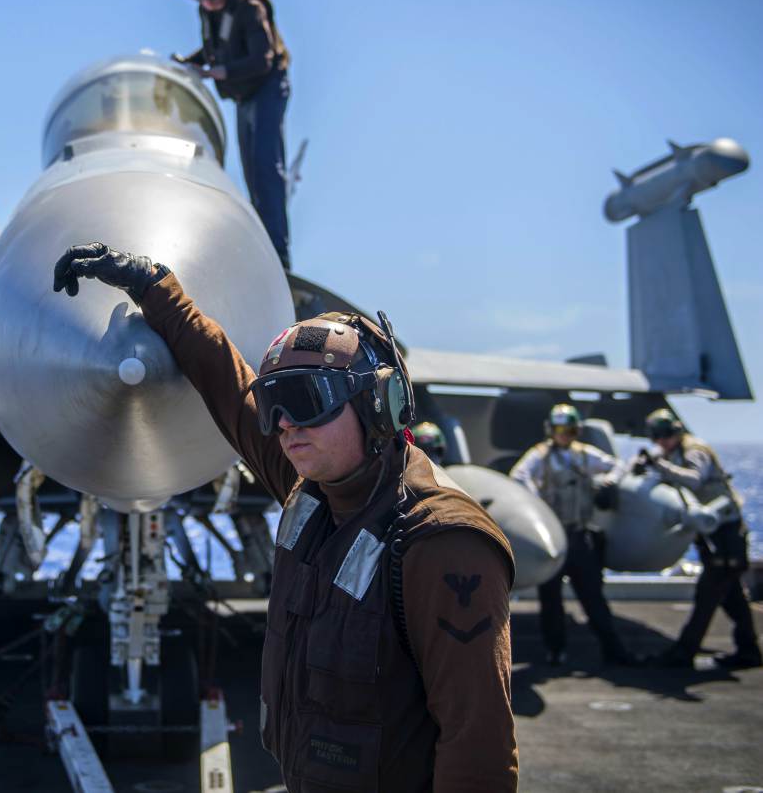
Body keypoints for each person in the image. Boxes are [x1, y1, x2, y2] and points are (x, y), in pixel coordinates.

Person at [53, 243, 518, 792]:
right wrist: (152, 284)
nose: (282, 425)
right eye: (274, 404)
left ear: (379, 406)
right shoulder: (313, 491)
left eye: (304, 401)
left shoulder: (439, 542)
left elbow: (478, 746)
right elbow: (227, 383)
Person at [173, 0, 292, 269]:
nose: (207, 4)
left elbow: (261, 59)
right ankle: (265, 248)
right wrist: (192, 63)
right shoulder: (207, 9)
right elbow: (217, 45)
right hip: (244, 96)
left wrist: (216, 72)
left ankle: (279, 255)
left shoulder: (250, 7)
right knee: (252, 172)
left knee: (267, 167)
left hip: (267, 88)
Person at [509, 404, 636, 667]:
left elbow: (618, 466)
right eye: (560, 430)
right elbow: (519, 476)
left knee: (593, 597)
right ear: (551, 430)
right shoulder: (539, 456)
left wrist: (608, 482)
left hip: (579, 536)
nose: (564, 435)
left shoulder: (584, 455)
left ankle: (614, 651)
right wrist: (537, 503)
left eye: (569, 430)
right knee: (551, 600)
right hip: (554, 536)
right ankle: (556, 651)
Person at [642, 409, 761, 669]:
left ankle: (684, 652)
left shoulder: (696, 452)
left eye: (664, 436)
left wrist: (661, 466)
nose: (661, 442)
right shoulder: (673, 452)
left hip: (725, 536)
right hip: (715, 536)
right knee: (732, 598)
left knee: (707, 596)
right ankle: (749, 650)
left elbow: (695, 480)